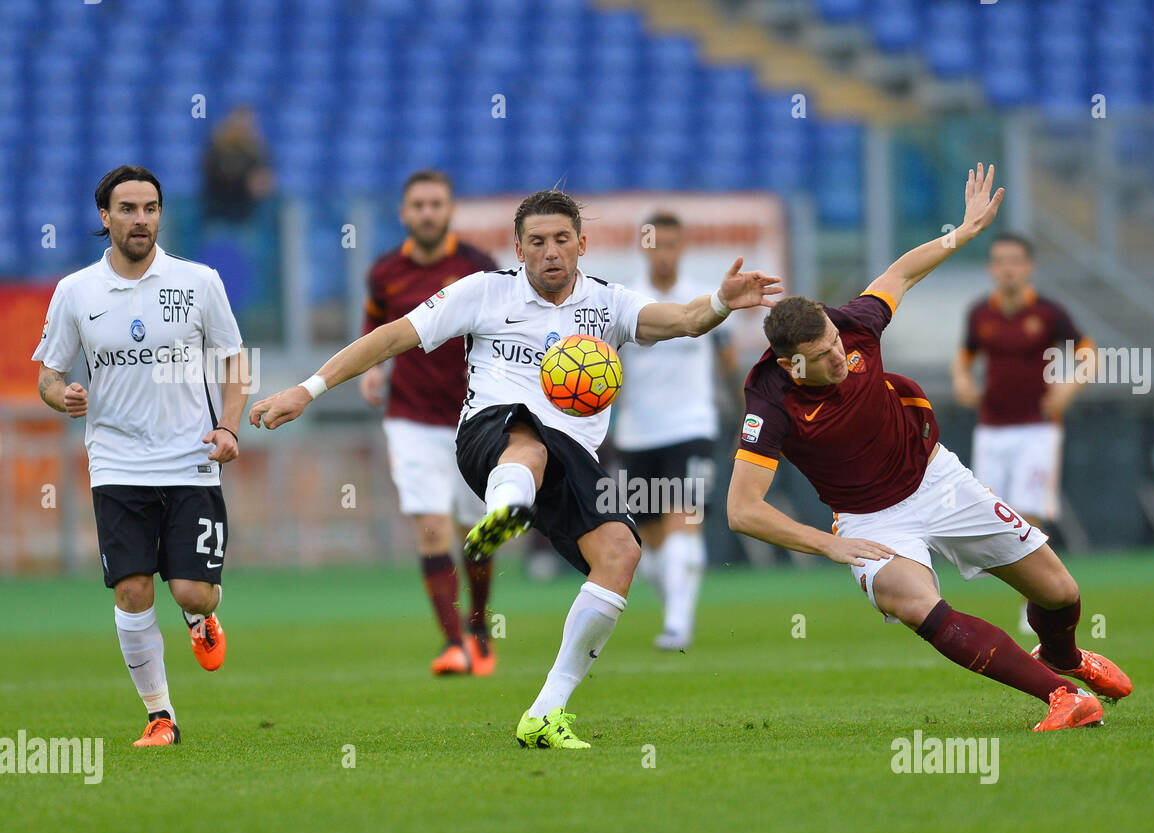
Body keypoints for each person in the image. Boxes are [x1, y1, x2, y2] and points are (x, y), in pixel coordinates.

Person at [249, 189, 781, 749]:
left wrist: (721, 302)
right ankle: (507, 510)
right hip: (491, 433)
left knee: (621, 555)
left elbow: (681, 319)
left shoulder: (609, 304)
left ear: (582, 243)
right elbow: (393, 336)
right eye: (537, 242)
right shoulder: (485, 291)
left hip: (572, 455)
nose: (550, 252)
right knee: (530, 438)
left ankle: (546, 710)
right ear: (518, 248)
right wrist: (307, 389)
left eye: (560, 240)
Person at [726, 164, 1131, 734]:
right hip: (871, 519)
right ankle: (1063, 695)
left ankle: (1063, 657)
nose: (840, 355)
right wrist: (828, 545)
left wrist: (960, 235)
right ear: (792, 363)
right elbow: (742, 510)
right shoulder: (768, 399)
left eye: (838, 342)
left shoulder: (852, 328)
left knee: (1061, 593)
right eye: (823, 354)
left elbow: (899, 274)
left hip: (937, 480)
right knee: (912, 601)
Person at [34, 165, 249, 747]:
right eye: (127, 209)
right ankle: (161, 717)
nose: (140, 219)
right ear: (105, 218)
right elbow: (48, 375)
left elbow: (235, 361)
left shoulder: (198, 282)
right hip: (116, 464)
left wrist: (228, 425)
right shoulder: (75, 291)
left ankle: (201, 616)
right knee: (131, 589)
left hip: (190, 460)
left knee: (190, 591)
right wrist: (63, 395)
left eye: (150, 208)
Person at [359, 170, 499, 676]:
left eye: (436, 203)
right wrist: (374, 368)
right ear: (403, 213)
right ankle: (453, 643)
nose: (427, 212)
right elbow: (375, 325)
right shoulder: (384, 272)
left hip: (472, 419)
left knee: (475, 535)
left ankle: (480, 628)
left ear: (450, 209)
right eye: (417, 204)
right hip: (410, 417)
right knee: (431, 525)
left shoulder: (477, 268)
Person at [951, 234, 1094, 629]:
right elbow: (964, 358)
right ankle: (1023, 592)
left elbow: (1088, 353)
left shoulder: (1048, 313)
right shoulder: (980, 313)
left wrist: (1068, 387)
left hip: (1038, 429)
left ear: (1028, 266)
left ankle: (1036, 604)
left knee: (1028, 515)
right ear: (991, 268)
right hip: (992, 429)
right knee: (993, 516)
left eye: (1015, 260)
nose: (1007, 268)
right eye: (1000, 261)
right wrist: (963, 382)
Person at [612, 211, 739, 651]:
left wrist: (744, 420)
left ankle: (677, 625)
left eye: (671, 244)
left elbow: (728, 362)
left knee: (685, 518)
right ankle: (674, 612)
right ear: (644, 247)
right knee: (649, 542)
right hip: (635, 433)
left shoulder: (704, 300)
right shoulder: (624, 302)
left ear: (681, 247)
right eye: (655, 244)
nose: (663, 253)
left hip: (691, 427)